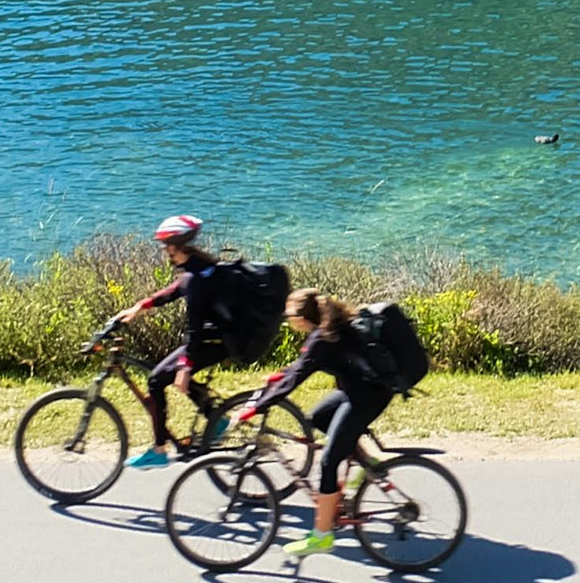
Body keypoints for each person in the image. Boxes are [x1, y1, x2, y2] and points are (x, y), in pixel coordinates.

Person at [246, 287, 403, 556]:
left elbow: (297, 377)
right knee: (319, 417)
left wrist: (256, 408)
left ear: (302, 318)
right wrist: (278, 378)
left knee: (329, 461)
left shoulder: (323, 338)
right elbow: (299, 367)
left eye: (290, 316)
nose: (288, 321)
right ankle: (367, 464)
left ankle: (321, 536)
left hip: (368, 396)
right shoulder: (328, 329)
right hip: (357, 390)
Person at [103, 213, 245, 469]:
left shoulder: (197, 279)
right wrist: (140, 307)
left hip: (214, 342)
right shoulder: (196, 269)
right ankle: (217, 420)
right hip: (219, 338)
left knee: (157, 379)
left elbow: (196, 328)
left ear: (175, 245)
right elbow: (174, 290)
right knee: (170, 373)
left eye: (165, 245)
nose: (163, 250)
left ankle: (159, 451)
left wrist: (186, 365)